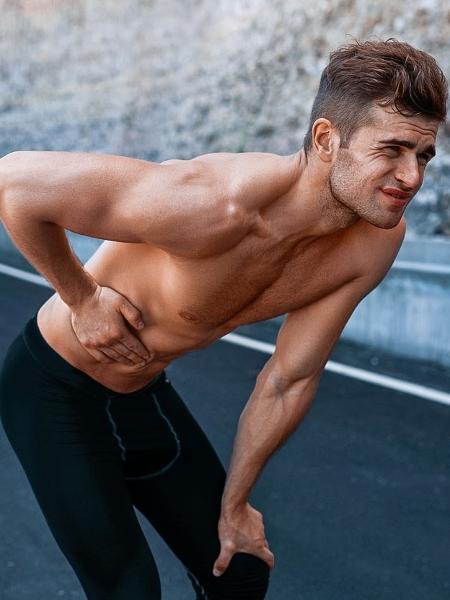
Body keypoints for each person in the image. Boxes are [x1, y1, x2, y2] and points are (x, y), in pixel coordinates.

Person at [0, 37, 447, 599]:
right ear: (328, 139)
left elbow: (289, 378)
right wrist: (82, 298)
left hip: (141, 395)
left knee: (238, 571)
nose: (412, 176)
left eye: (423, 155)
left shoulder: (372, 243)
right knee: (128, 590)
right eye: (393, 150)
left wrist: (236, 504)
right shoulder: (213, 204)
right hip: (51, 391)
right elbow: (14, 182)